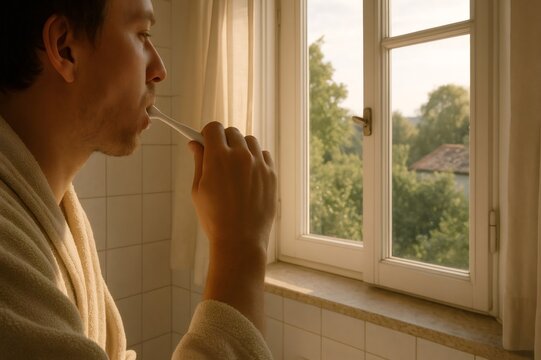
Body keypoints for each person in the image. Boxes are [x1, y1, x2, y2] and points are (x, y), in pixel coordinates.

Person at [0, 0, 276, 358]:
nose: (159, 70)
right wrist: (240, 249)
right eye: (142, 34)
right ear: (65, 47)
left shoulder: (52, 210)